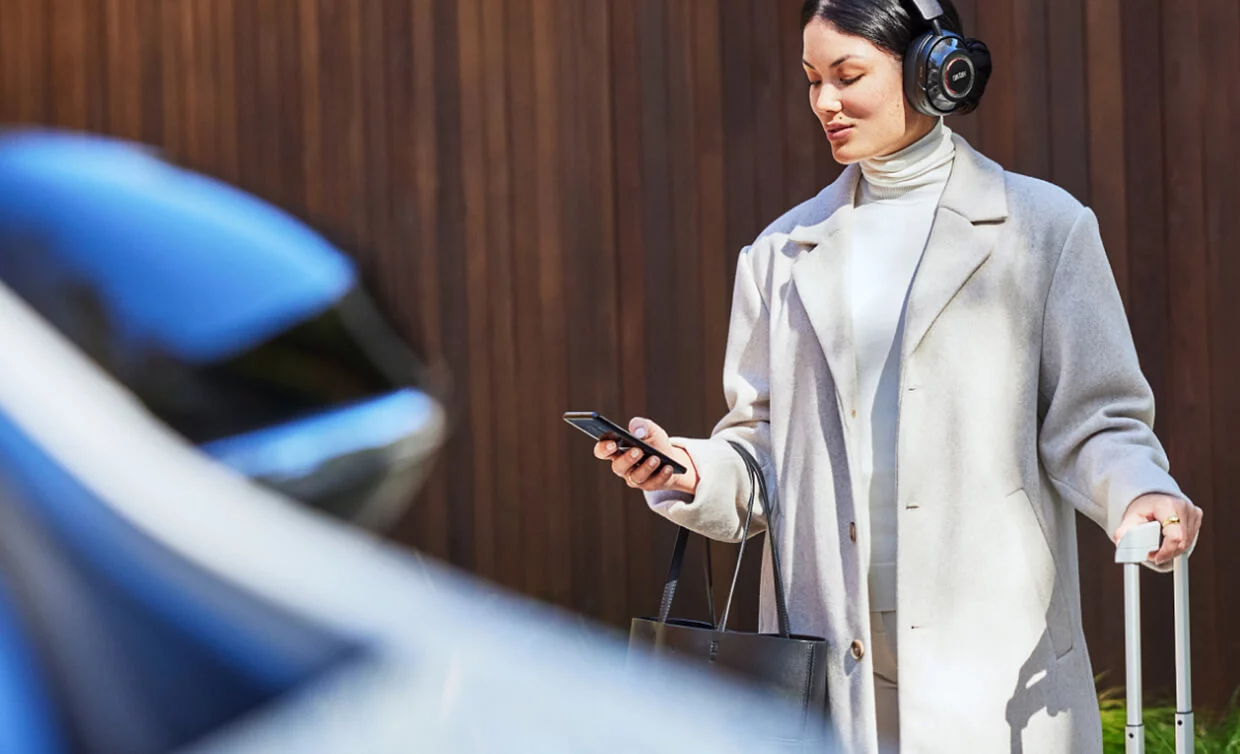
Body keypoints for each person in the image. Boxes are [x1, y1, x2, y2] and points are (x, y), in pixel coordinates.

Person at [590, 1, 1204, 752]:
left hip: (992, 674)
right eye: (812, 80)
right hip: (830, 670)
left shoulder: (1045, 228)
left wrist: (1140, 491)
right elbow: (762, 452)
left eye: (848, 75)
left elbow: (1098, 420)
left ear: (933, 71)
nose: (824, 102)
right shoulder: (777, 255)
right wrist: (689, 469)